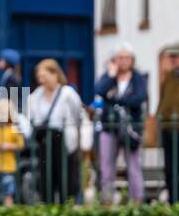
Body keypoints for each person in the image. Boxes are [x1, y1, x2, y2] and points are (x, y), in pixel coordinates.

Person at [95, 43, 149, 204]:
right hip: (109, 127)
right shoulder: (109, 76)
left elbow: (139, 98)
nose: (124, 61)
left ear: (132, 60)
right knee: (106, 167)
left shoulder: (138, 78)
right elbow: (98, 90)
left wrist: (116, 100)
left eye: (127, 58)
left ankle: (136, 201)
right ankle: (107, 201)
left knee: (133, 166)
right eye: (120, 58)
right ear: (114, 60)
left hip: (131, 127)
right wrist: (111, 76)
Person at [27, 59, 82, 205]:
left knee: (66, 178)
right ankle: (48, 209)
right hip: (45, 140)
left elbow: (77, 115)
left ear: (55, 74)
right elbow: (30, 117)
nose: (41, 80)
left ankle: (68, 207)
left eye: (44, 76)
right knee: (46, 179)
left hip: (64, 141)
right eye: (39, 77)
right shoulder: (36, 96)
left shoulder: (67, 93)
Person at [159, 46, 179, 204]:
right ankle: (173, 200)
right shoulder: (170, 76)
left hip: (177, 127)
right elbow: (164, 99)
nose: (173, 59)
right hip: (167, 127)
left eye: (176, 56)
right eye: (172, 56)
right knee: (169, 167)